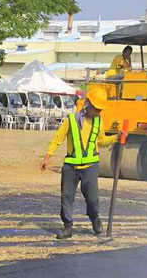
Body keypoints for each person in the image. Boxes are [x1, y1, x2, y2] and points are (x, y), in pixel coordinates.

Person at [40, 86, 115, 240]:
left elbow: (101, 140)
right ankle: (68, 227)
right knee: (67, 197)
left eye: (101, 110)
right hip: (71, 167)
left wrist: (116, 138)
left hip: (91, 167)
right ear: (88, 105)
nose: (98, 112)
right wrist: (47, 157)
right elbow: (57, 139)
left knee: (92, 198)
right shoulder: (71, 120)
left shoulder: (98, 122)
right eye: (96, 109)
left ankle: (94, 218)